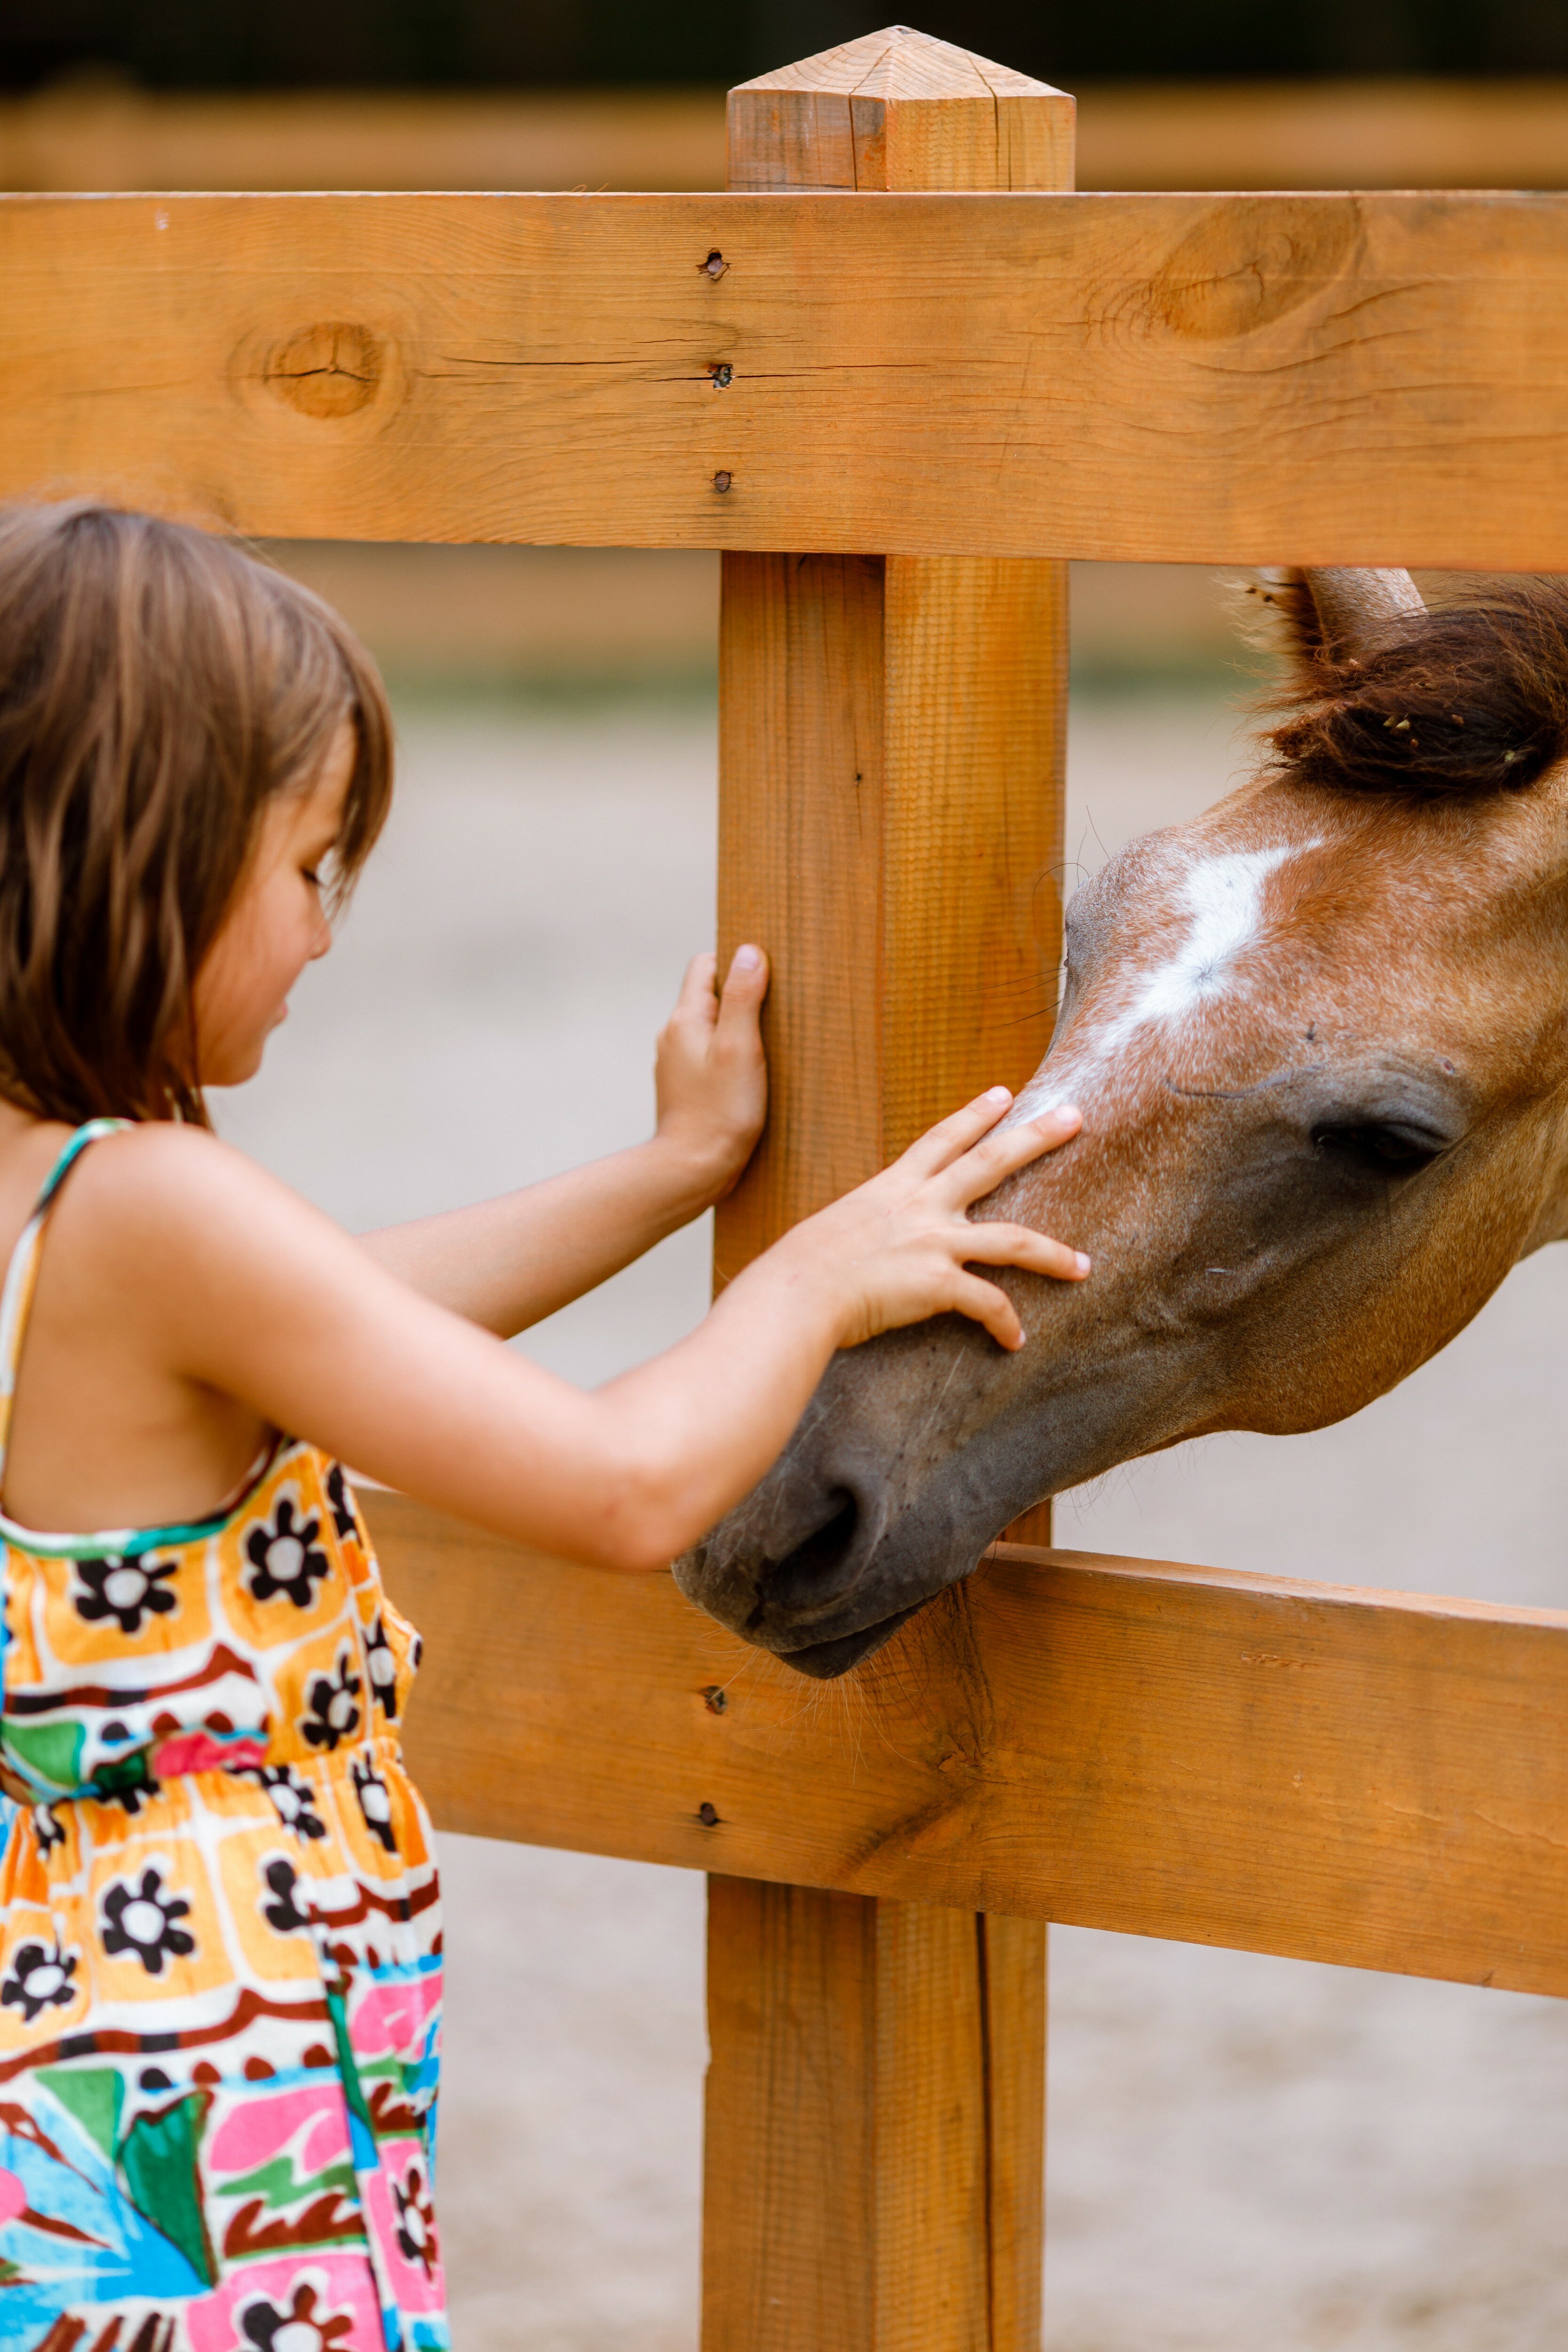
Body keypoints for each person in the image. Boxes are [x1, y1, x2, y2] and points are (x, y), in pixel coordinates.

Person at [0, 501, 1086, 2351]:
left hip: (58, 2045)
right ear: (149, 850)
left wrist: (669, 1177)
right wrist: (808, 1278)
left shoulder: (61, 1217)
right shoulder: (156, 1203)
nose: (329, 935)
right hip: (199, 2067)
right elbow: (624, 1483)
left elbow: (342, 1317)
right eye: (313, 868)